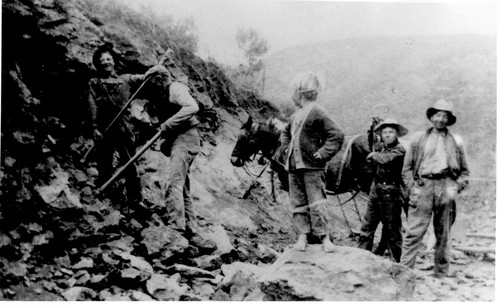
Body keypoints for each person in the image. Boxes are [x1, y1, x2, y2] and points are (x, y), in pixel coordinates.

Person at [400, 99, 469, 278]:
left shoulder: (456, 142)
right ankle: (405, 273)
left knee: (443, 234)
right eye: (437, 115)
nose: (440, 119)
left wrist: (455, 188)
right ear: (431, 117)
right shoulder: (418, 139)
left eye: (444, 116)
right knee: (414, 233)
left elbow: (464, 172)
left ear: (449, 120)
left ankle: (441, 275)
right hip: (423, 186)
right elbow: (406, 169)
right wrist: (412, 188)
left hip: (445, 187)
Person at [280, 72, 345, 252]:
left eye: (293, 91)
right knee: (298, 202)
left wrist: (323, 153)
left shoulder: (318, 111)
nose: (291, 94)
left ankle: (324, 238)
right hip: (293, 166)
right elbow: (285, 133)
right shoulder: (295, 115)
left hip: (313, 167)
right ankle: (302, 237)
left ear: (300, 93)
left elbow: (337, 134)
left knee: (317, 202)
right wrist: (286, 149)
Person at [142, 65, 201, 236]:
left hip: (186, 137)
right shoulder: (159, 97)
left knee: (173, 183)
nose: (149, 87)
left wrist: (168, 125)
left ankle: (175, 227)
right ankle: (192, 229)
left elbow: (192, 107)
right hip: (179, 140)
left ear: (159, 79)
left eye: (151, 83)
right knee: (182, 187)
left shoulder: (175, 88)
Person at [88, 44, 146, 206]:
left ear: (114, 62)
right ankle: (106, 195)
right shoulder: (95, 82)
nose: (106, 62)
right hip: (105, 129)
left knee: (129, 163)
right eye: (102, 60)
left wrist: (156, 70)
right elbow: (92, 105)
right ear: (98, 64)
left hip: (124, 128)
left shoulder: (126, 79)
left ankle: (135, 199)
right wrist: (94, 128)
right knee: (104, 162)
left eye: (108, 59)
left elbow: (144, 78)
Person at [357, 118, 408, 262]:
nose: (387, 135)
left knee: (392, 230)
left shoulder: (400, 150)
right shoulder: (381, 147)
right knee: (367, 226)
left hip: (392, 192)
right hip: (376, 190)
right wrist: (371, 128)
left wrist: (374, 155)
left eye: (391, 132)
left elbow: (385, 159)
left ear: (397, 134)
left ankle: (396, 264)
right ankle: (361, 259)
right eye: (384, 132)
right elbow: (372, 142)